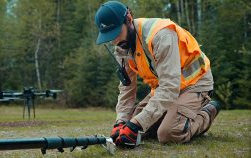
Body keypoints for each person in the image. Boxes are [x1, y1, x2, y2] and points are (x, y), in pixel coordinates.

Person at [94, 1, 221, 148]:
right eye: (109, 36)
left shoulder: (161, 35)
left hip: (195, 83)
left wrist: (137, 124)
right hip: (166, 88)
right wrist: (121, 121)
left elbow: (169, 87)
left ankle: (207, 112)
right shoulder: (122, 47)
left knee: (168, 133)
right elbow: (127, 88)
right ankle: (173, 115)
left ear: (129, 19)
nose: (115, 41)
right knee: (136, 127)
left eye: (116, 33)